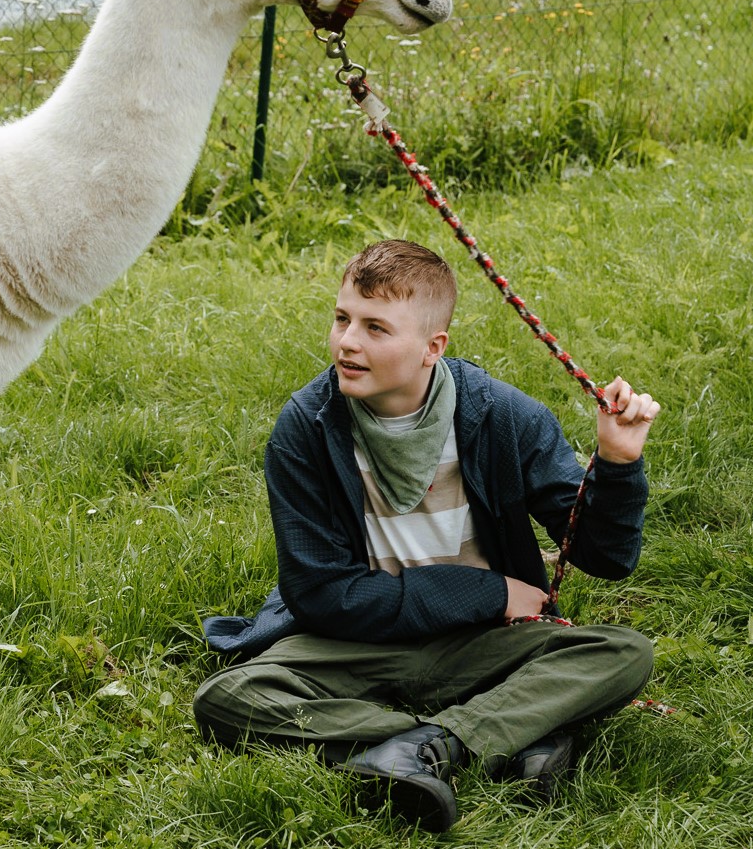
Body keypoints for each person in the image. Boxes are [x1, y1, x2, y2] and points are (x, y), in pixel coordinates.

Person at [193, 240, 661, 832]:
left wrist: (617, 465)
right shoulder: (307, 427)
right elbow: (321, 595)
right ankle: (475, 739)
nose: (347, 342)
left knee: (622, 652)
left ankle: (420, 747)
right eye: (342, 318)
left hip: (481, 642)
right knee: (230, 696)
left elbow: (605, 556)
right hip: (359, 638)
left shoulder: (502, 416)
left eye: (376, 328)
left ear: (432, 348)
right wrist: (490, 591)